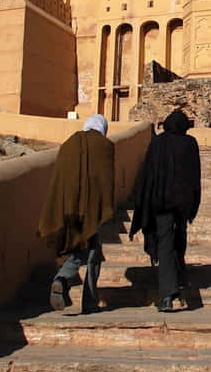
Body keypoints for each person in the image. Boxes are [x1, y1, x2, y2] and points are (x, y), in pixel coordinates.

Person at [38, 114, 114, 314]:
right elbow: (106, 179)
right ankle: (72, 285)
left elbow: (60, 176)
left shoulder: (69, 143)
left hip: (66, 206)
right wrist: (105, 207)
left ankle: (65, 281)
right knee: (92, 252)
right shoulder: (105, 146)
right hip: (91, 208)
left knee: (75, 245)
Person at [129, 110, 201, 312]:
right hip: (182, 203)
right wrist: (193, 202)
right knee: (180, 237)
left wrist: (144, 201)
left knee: (165, 243)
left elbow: (147, 175)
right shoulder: (190, 143)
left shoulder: (158, 143)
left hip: (161, 203)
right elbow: (195, 176)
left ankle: (167, 294)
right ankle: (179, 276)